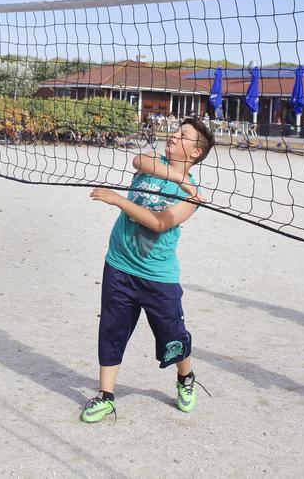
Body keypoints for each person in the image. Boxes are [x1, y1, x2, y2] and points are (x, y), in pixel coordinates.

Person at [81, 118, 214, 423]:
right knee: (112, 331)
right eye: (176, 131)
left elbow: (158, 223)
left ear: (195, 152)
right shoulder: (154, 162)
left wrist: (117, 200)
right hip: (119, 264)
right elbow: (137, 159)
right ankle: (106, 397)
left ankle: (185, 377)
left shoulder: (194, 198)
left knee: (173, 336)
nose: (173, 136)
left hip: (157, 276)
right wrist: (180, 178)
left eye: (183, 136)